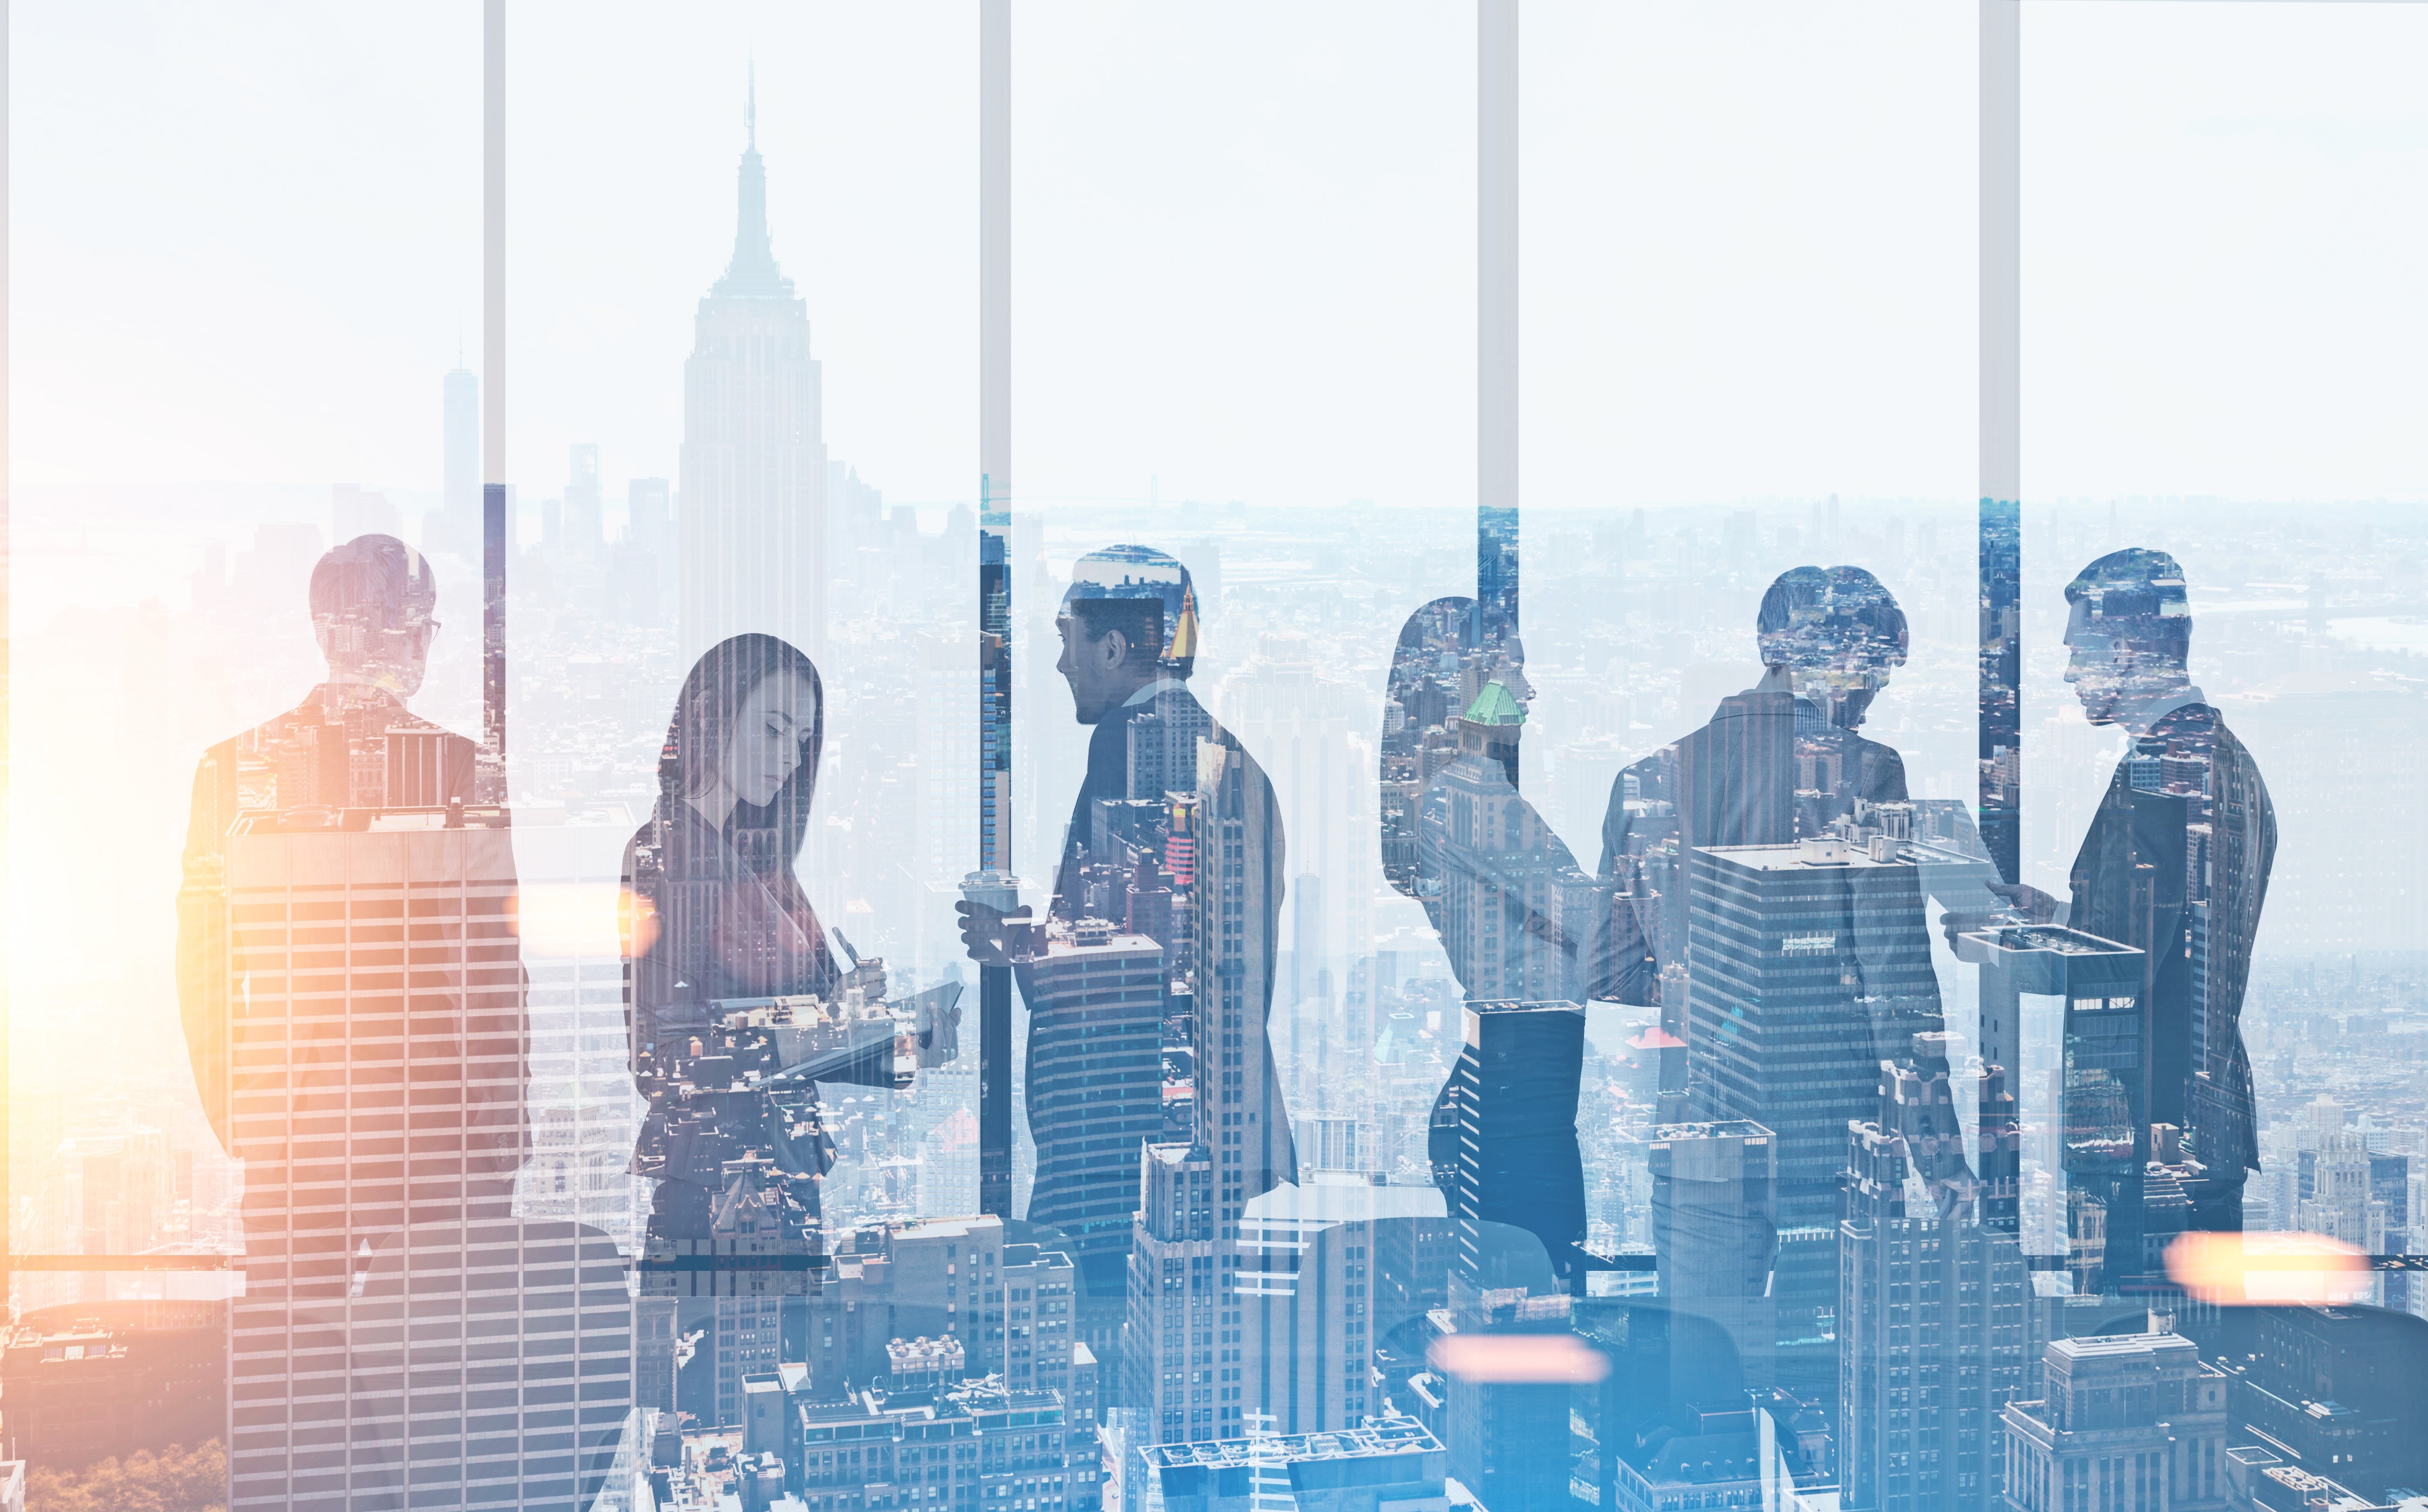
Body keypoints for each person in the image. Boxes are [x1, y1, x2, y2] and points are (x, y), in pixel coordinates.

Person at [958, 547, 1291, 1427]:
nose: (1059, 659)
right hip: (1211, 1156)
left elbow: (1123, 972)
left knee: (1103, 1426)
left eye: (1068, 637)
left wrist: (1009, 944)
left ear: (1113, 649)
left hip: (1123, 1176)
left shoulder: (1130, 747)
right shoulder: (1231, 760)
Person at [1964, 548, 2273, 1235]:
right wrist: (2066, 916)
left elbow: (2121, 971)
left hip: (2144, 1134)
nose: (2070, 672)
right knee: (2198, 1335)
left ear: (2128, 650)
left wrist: (2012, 948)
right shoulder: (2229, 760)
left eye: (2080, 651)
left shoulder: (2159, 772)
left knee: (2134, 1336)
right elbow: (2179, 932)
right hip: (2203, 1120)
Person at [1379, 596, 1598, 1276]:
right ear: (1469, 685)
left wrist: (1559, 921)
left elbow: (1565, 917)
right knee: (1541, 1301)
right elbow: (1591, 918)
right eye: (1515, 672)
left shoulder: (1458, 794)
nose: (1530, 689)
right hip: (1518, 1094)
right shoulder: (1471, 795)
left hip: (1512, 1087)